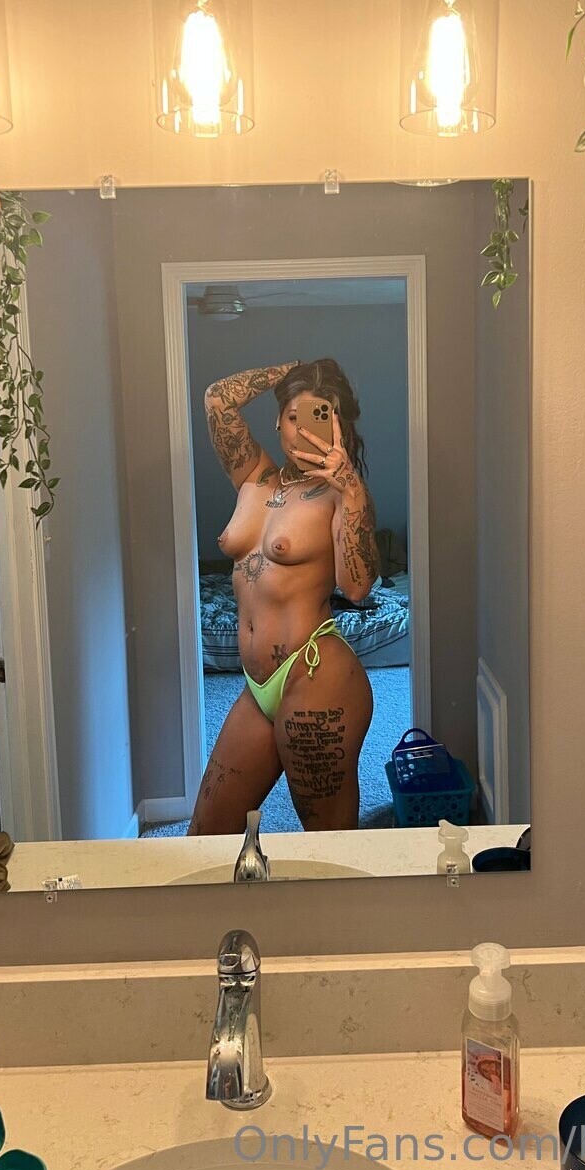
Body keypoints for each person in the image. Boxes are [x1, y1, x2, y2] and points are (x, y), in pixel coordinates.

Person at [188, 358, 379, 835]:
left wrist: (350, 488)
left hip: (315, 674)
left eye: (319, 418)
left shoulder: (339, 495)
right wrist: (298, 370)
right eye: (294, 416)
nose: (303, 430)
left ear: (338, 426)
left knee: (329, 843)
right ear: (278, 420)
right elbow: (218, 397)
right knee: (205, 836)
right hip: (257, 687)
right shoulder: (253, 476)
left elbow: (357, 587)